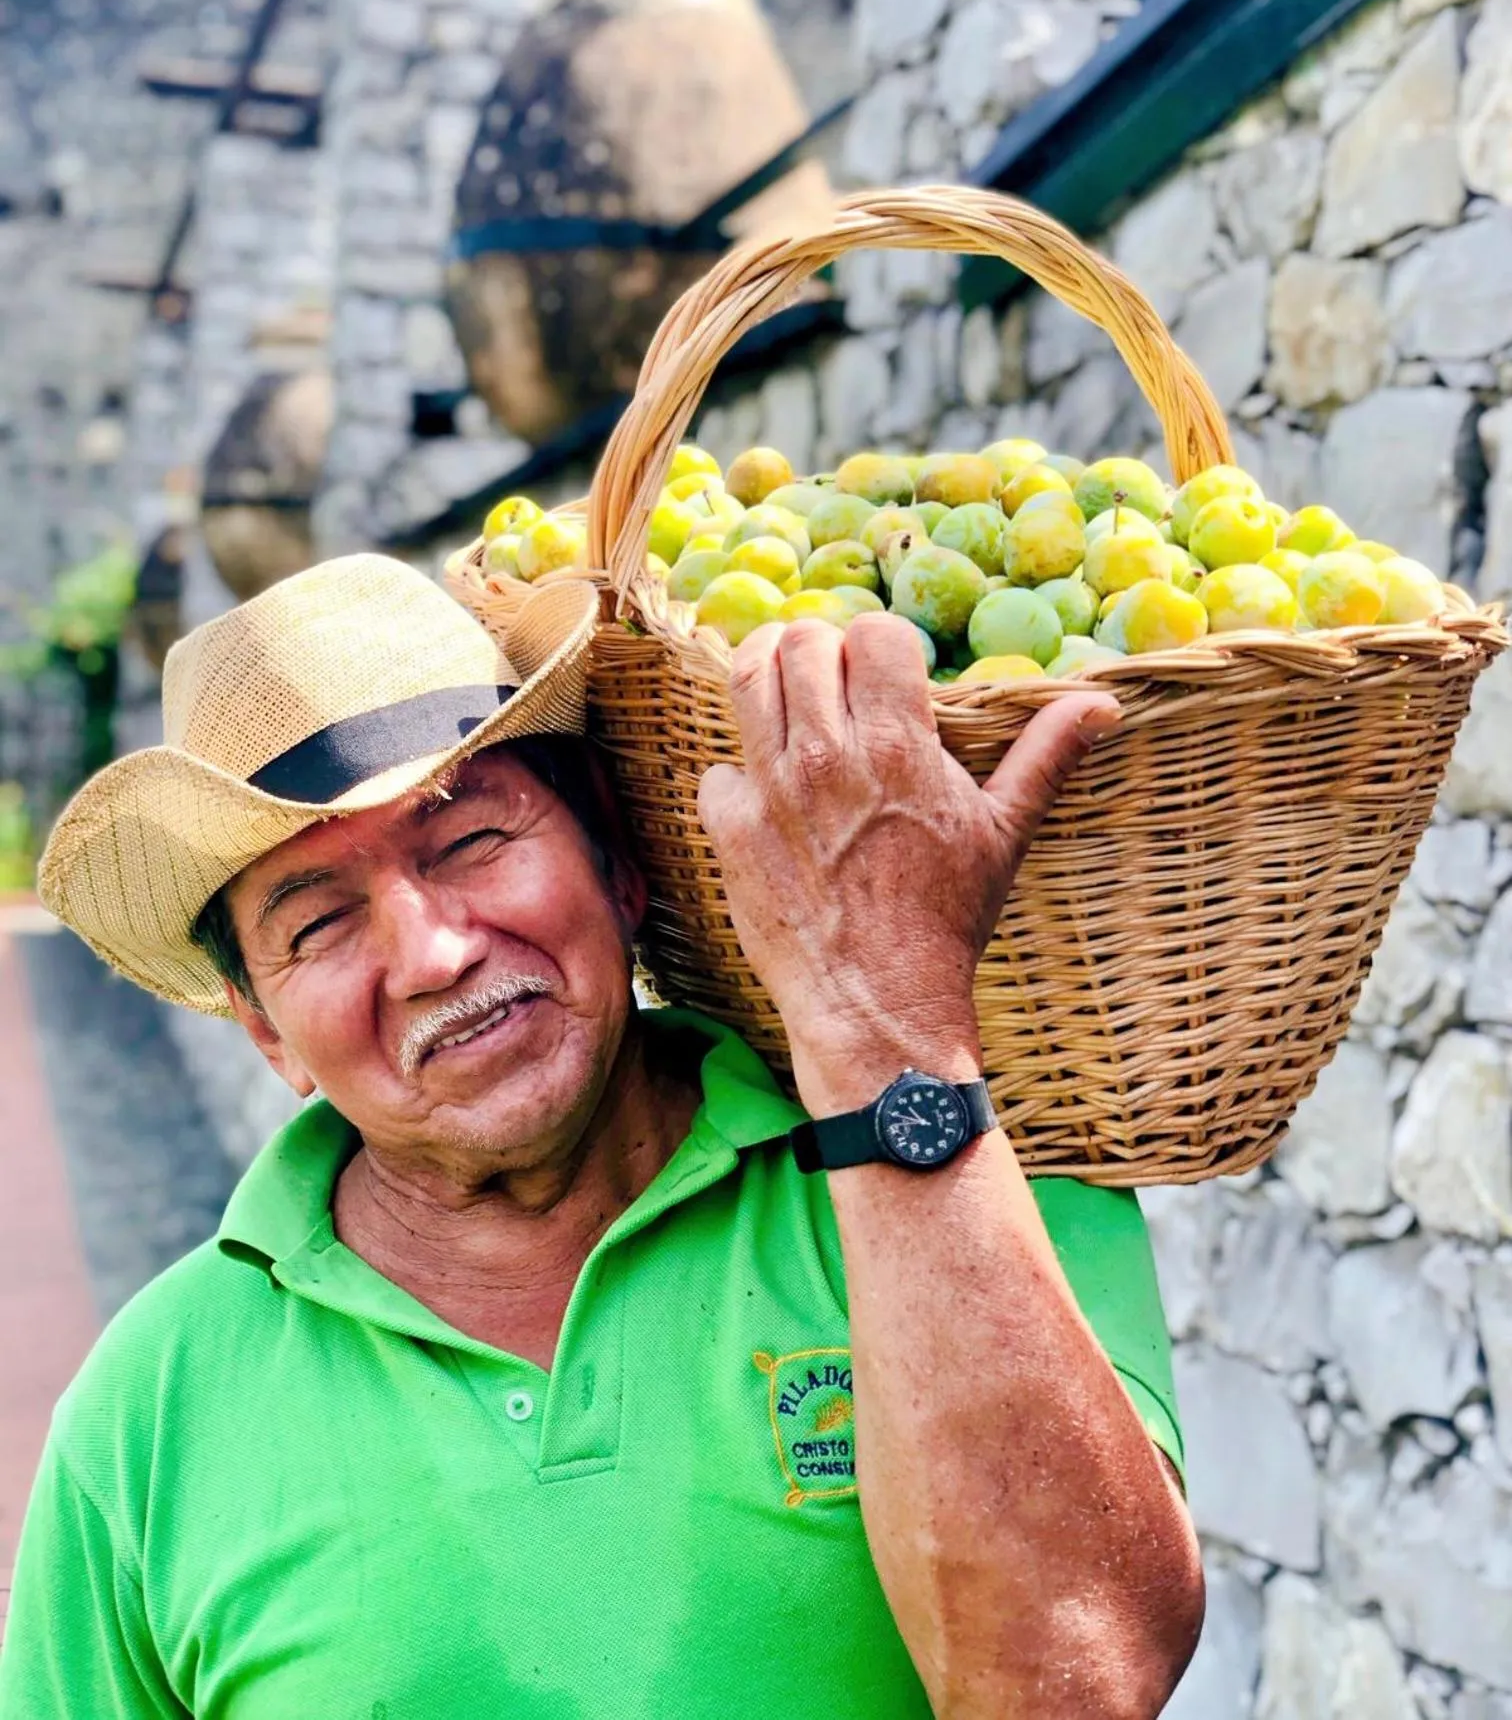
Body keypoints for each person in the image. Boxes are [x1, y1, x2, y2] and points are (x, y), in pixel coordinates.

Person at [1, 553, 1203, 1719]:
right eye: (317, 925)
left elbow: (1081, 1687)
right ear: (268, 1035)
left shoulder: (959, 1159)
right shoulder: (150, 1409)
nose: (432, 952)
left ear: (620, 871)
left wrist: (880, 1023)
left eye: (471, 842)